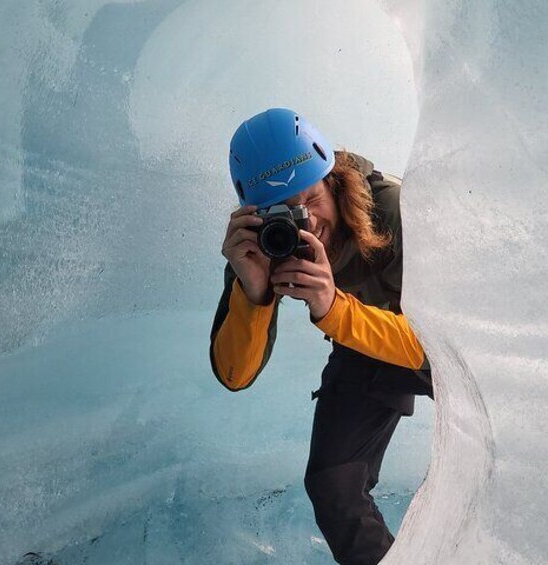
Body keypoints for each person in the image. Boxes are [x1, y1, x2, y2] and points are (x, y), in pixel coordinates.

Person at [209, 108, 433, 565]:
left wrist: (333, 309)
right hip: (361, 345)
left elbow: (436, 350)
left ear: (333, 179)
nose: (305, 221)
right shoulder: (261, 246)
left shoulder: (393, 209)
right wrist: (253, 293)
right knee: (334, 483)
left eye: (310, 198)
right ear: (254, 215)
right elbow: (235, 374)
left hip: (433, 341)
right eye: (284, 211)